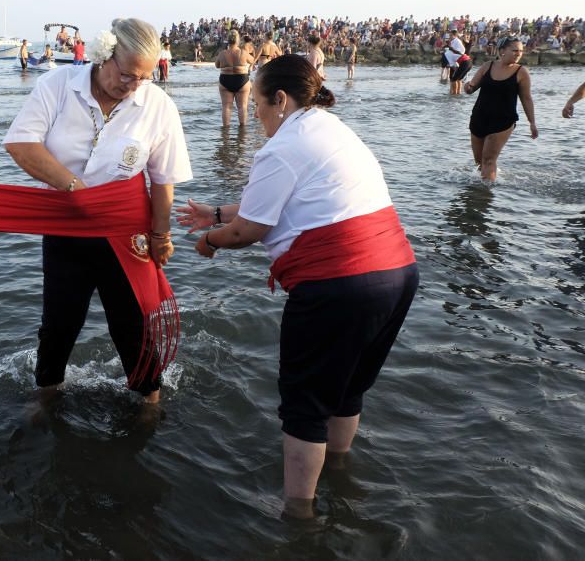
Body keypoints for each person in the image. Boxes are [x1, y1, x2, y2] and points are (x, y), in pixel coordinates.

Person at [177, 54, 418, 518]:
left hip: (340, 284)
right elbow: (294, 202)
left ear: (280, 99)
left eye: (260, 105)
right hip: (397, 273)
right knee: (346, 389)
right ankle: (340, 473)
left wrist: (209, 239)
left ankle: (297, 514)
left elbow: (250, 231)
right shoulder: (330, 129)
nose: (256, 114)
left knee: (304, 406)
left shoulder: (281, 147)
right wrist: (219, 213)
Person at [3, 17, 192, 404]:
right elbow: (22, 145)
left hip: (127, 233)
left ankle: (148, 402)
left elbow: (162, 180)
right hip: (66, 226)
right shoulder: (56, 86)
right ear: (104, 55)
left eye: (143, 77)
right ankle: (47, 398)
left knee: (133, 324)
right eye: (126, 74)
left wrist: (161, 236)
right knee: (59, 324)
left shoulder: (157, 106)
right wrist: (75, 189)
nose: (133, 84)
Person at [463, 37, 538, 181]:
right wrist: (467, 87)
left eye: (521, 51)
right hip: (479, 117)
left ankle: (487, 195)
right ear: (502, 51)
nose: (518, 54)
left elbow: (526, 99)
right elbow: (471, 88)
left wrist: (532, 123)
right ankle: (477, 197)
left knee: (489, 160)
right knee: (479, 163)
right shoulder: (488, 66)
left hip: (502, 121)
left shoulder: (521, 72)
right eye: (515, 50)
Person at [215, 29, 255, 127]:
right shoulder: (243, 52)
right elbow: (252, 60)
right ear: (238, 40)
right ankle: (242, 131)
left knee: (226, 107)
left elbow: (217, 65)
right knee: (242, 107)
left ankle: (225, 133)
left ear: (228, 40)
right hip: (242, 79)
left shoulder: (222, 53)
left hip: (225, 79)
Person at [444, 30, 467, 95]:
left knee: (454, 79)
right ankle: (455, 92)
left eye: (451, 35)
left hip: (456, 62)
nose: (450, 37)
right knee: (456, 79)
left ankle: (455, 93)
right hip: (455, 61)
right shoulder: (455, 41)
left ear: (454, 35)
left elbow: (458, 52)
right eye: (449, 35)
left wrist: (452, 64)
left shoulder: (456, 41)